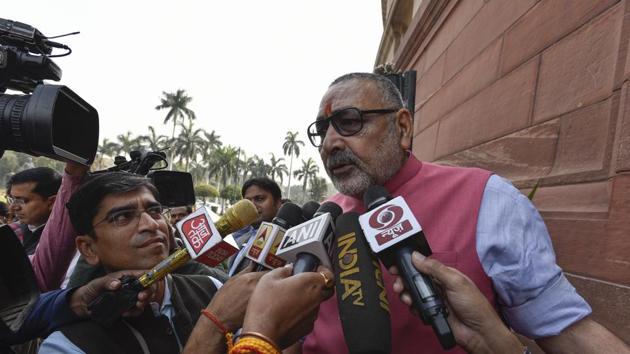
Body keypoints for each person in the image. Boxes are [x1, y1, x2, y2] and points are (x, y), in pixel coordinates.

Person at [301, 72, 629, 353]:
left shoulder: (488, 200)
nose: (330, 143)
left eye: (348, 122)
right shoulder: (323, 218)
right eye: (322, 129)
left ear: (402, 127)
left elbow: (570, 333)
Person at [39, 172, 262, 353]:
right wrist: (214, 325)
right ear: (88, 248)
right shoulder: (66, 346)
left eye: (155, 211)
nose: (151, 224)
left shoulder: (212, 287)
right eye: (122, 217)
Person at [227, 177, 283, 276]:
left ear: (278, 203)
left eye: (260, 199)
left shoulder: (284, 243)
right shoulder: (240, 237)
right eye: (247, 201)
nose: (252, 206)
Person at [6, 167, 61, 255]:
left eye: (22, 200)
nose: (13, 207)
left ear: (52, 202)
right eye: (11, 199)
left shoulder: (61, 241)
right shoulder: (12, 231)